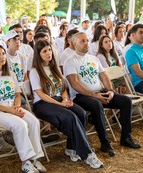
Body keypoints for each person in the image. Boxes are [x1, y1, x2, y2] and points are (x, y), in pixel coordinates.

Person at [64, 32, 141, 158]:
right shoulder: (70, 61)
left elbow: (104, 76)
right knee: (96, 105)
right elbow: (74, 84)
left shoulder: (93, 59)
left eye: (87, 40)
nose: (86, 43)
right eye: (82, 41)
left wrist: (110, 90)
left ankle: (126, 138)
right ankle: (105, 143)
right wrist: (94, 96)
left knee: (126, 101)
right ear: (73, 44)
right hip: (81, 97)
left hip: (100, 92)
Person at [30, 40, 104, 169]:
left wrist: (64, 99)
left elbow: (63, 88)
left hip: (58, 100)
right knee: (71, 117)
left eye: (49, 50)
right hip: (43, 104)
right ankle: (87, 154)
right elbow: (41, 94)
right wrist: (60, 104)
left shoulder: (55, 68)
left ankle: (71, 148)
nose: (48, 53)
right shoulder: (35, 71)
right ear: (38, 54)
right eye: (44, 51)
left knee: (81, 113)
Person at [0, 44, 46, 173]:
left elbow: (17, 94)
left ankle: (35, 158)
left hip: (13, 108)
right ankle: (25, 162)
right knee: (20, 124)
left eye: (3, 53)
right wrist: (10, 110)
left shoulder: (11, 74)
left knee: (33, 122)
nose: (2, 57)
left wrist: (17, 106)